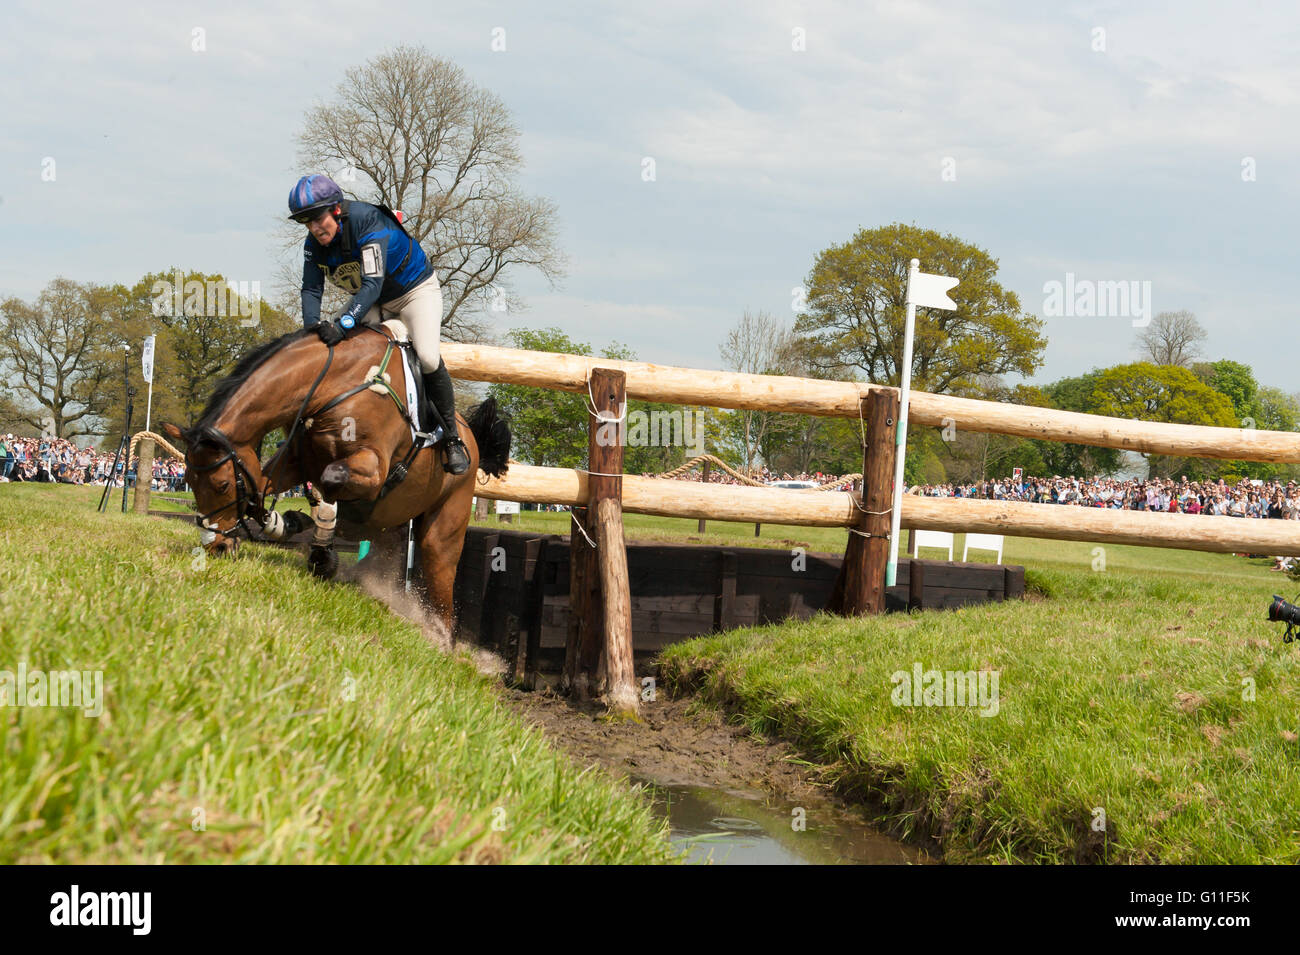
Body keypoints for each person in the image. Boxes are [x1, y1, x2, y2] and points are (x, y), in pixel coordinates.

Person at [288, 174, 469, 475]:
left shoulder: (366, 221)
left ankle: (452, 439)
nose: (314, 228)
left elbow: (372, 282)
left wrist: (343, 323)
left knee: (426, 355)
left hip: (414, 293)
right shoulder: (314, 244)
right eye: (306, 222)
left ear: (335, 209)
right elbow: (310, 290)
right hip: (372, 300)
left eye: (317, 219)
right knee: (340, 351)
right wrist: (310, 330)